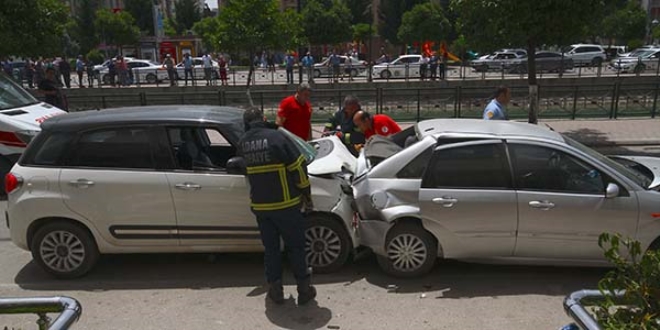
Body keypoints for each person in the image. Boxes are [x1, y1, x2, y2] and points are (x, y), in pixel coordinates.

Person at [238, 107, 317, 306]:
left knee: (271, 249)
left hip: (261, 208)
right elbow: (298, 167)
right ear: (264, 119)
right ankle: (304, 290)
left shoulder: (243, 143)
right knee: (296, 247)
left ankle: (276, 290)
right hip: (286, 206)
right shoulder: (276, 138)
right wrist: (306, 193)